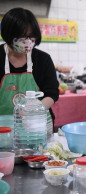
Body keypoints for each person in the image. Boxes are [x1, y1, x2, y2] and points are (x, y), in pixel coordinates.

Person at [0, 8, 59, 138]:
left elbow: (52, 93)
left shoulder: (43, 59)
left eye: (31, 36)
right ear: (8, 34)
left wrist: (34, 110)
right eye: (22, 36)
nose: (27, 41)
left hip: (36, 128)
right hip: (3, 130)